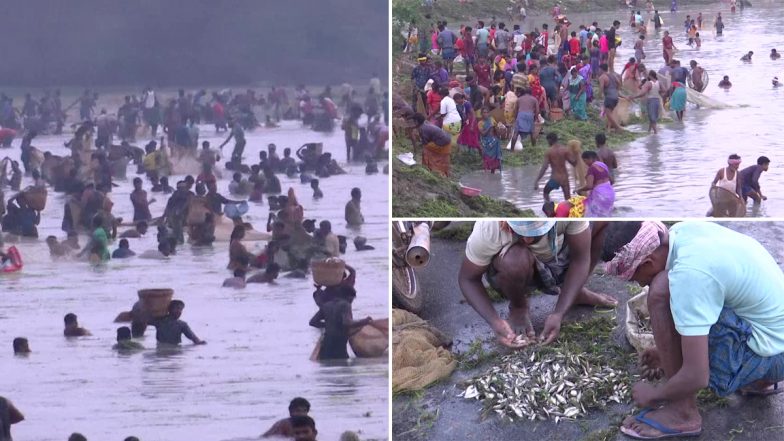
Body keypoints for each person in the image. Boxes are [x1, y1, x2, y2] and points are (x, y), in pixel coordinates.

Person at [603, 222, 784, 440]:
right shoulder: (683, 231)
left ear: (648, 262)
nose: (640, 283)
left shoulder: (690, 274)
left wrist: (655, 395)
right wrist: (665, 351)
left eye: (635, 277)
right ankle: (759, 380)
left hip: (774, 358)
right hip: (776, 339)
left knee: (660, 290)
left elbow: (698, 376)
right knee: (677, 290)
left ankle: (682, 413)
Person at [458, 221, 617, 348]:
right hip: (516, 270)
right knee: (513, 261)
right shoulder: (489, 228)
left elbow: (580, 260)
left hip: (557, 258)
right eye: (521, 233)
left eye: (535, 233)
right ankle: (518, 307)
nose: (527, 239)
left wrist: (559, 313)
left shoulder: (566, 213)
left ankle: (575, 292)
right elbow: (468, 279)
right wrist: (495, 322)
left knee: (600, 221)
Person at [533, 133, 573, 203]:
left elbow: (544, 167)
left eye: (548, 141)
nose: (548, 143)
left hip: (555, 178)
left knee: (546, 193)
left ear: (550, 140)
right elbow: (573, 162)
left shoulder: (549, 151)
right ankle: (570, 212)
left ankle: (550, 210)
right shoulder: (565, 150)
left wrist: (537, 180)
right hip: (565, 178)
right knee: (568, 198)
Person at [578, 151, 616, 217]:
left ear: (589, 159)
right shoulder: (603, 165)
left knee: (594, 215)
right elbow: (612, 181)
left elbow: (589, 186)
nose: (585, 163)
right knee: (607, 215)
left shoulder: (591, 168)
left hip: (600, 195)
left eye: (585, 161)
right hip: (610, 194)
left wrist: (579, 189)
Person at [598, 64, 623, 132]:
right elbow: (619, 83)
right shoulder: (612, 75)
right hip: (615, 97)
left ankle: (617, 127)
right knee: (610, 113)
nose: (598, 71)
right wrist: (616, 90)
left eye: (599, 69)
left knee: (608, 113)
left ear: (601, 69)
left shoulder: (602, 77)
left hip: (609, 97)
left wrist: (599, 96)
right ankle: (609, 129)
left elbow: (601, 88)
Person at [478, 106, 502, 173]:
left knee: (496, 142)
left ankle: (493, 170)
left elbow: (496, 130)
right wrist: (489, 127)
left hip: (493, 140)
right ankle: (486, 171)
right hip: (485, 140)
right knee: (486, 157)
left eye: (487, 112)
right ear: (481, 114)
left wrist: (498, 128)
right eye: (484, 112)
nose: (485, 114)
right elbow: (482, 134)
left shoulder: (491, 119)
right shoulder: (480, 123)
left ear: (489, 113)